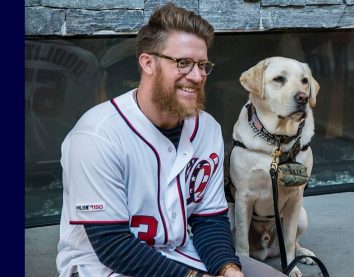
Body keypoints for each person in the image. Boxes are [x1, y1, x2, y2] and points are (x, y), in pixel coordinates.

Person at [56, 3, 284, 277]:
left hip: (182, 251)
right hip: (105, 266)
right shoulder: (95, 136)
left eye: (202, 65)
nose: (197, 76)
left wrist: (228, 268)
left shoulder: (207, 128)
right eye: (183, 63)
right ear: (147, 62)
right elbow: (112, 244)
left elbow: (208, 219)